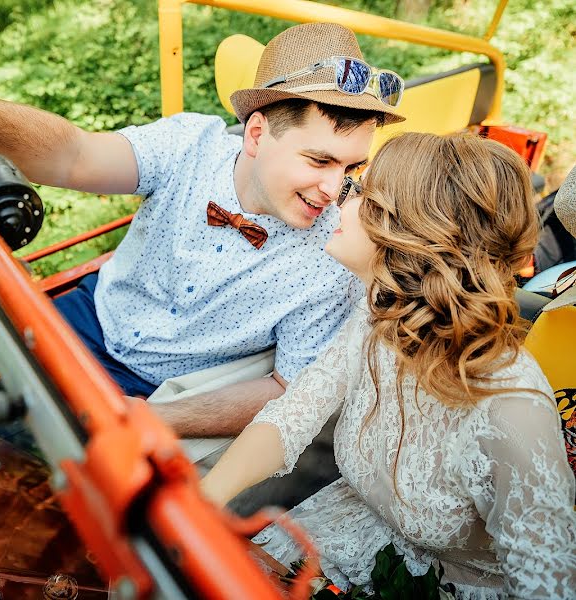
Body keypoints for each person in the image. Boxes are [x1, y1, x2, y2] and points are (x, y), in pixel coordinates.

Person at [0, 23, 405, 436]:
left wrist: (150, 419)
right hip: (89, 317)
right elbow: (73, 156)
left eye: (352, 167)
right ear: (256, 134)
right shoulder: (190, 144)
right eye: (320, 161)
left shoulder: (339, 255)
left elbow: (288, 387)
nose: (336, 191)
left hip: (173, 394)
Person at [200, 132, 576, 598]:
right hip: (339, 533)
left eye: (363, 192)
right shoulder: (380, 312)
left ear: (412, 235)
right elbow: (292, 416)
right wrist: (201, 502)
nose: (341, 196)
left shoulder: (513, 412)